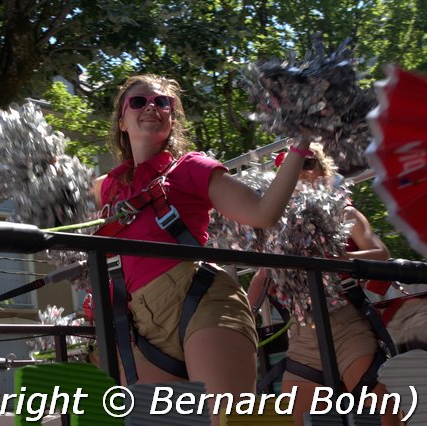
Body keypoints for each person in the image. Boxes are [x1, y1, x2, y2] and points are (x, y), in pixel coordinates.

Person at [92, 74, 313, 425]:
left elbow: (262, 213)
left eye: (162, 102)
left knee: (228, 420)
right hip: (140, 322)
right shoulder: (108, 189)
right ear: (121, 120)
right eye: (139, 102)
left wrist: (300, 146)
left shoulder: (190, 168)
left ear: (172, 118)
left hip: (200, 301)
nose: (152, 106)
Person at [248, 143, 399, 426]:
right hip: (303, 333)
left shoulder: (345, 213)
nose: (300, 174)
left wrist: (342, 258)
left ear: (322, 169)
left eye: (307, 164)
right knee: (290, 419)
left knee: (384, 409)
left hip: (346, 325)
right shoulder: (278, 227)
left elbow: (382, 254)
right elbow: (261, 277)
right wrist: (242, 324)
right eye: (290, 169)